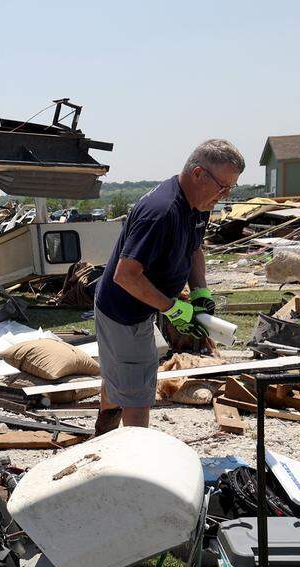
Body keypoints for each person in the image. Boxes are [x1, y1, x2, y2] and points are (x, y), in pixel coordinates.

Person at [93, 139, 245, 435]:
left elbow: (194, 249)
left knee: (122, 374)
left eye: (231, 188)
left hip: (143, 305)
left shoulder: (198, 204)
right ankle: (137, 456)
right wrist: (172, 308)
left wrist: (200, 292)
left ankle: (103, 431)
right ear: (199, 174)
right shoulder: (160, 212)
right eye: (223, 187)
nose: (225, 195)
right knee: (138, 393)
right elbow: (126, 276)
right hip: (123, 311)